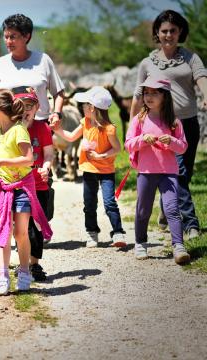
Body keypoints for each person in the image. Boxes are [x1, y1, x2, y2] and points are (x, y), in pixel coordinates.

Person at [130, 10, 207, 239]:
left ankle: (167, 208)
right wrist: (133, 126)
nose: (169, 35)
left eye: (173, 31)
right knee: (179, 173)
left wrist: (205, 94)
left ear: (180, 32)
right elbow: (137, 94)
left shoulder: (190, 58)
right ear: (157, 33)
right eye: (164, 31)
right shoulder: (147, 63)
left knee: (183, 173)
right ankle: (191, 225)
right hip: (159, 124)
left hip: (187, 122)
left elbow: (202, 77)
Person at [0, 89, 52, 296]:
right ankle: (3, 275)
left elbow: (29, 159)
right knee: (1, 232)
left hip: (21, 187)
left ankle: (23, 271)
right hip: (3, 186)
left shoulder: (19, 130)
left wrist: (2, 162)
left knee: (20, 232)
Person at [125, 75, 190, 264]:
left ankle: (179, 247)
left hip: (169, 172)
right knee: (143, 209)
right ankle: (141, 243)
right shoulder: (140, 119)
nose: (149, 96)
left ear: (165, 96)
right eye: (146, 93)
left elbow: (183, 147)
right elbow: (129, 144)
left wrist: (172, 141)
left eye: (154, 93)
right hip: (146, 172)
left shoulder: (174, 122)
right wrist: (141, 140)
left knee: (172, 208)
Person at [52, 86, 127, 248]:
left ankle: (118, 232)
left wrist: (102, 156)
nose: (82, 107)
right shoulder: (84, 122)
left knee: (109, 203)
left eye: (84, 105)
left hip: (106, 171)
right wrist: (57, 130)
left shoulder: (109, 128)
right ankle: (92, 232)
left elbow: (117, 148)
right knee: (89, 204)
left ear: (92, 108)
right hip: (88, 170)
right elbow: (71, 137)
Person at [0, 13, 66, 127]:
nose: (8, 41)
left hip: (40, 126)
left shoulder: (44, 60)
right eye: (6, 37)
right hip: (8, 128)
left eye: (13, 37)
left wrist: (57, 113)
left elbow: (58, 92)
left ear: (26, 36)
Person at [15, 86, 54, 281]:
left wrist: (46, 167)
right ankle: (23, 264)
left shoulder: (42, 128)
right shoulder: (10, 129)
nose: (25, 110)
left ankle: (35, 264)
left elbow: (48, 153)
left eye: (29, 105)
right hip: (17, 186)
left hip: (39, 185)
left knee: (37, 227)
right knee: (22, 228)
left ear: (37, 107)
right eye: (21, 105)